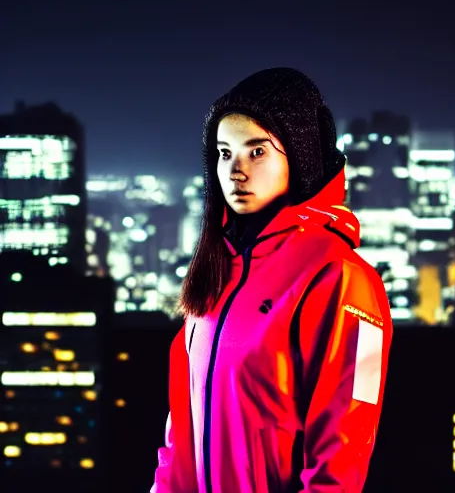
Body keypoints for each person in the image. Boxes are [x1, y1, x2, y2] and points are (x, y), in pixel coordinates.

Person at [151, 67, 393, 493]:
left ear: (298, 155)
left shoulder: (345, 280)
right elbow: (180, 434)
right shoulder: (217, 271)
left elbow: (344, 455)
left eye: (256, 152)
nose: (236, 172)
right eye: (225, 153)